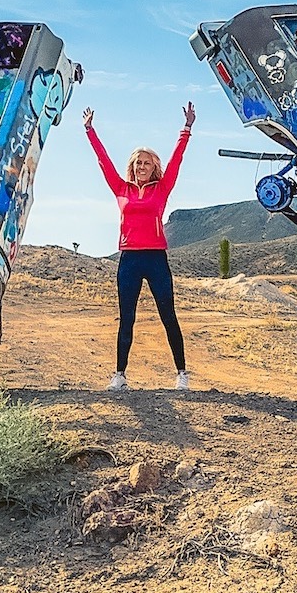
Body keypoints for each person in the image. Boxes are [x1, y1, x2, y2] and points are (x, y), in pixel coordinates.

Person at [84, 102, 195, 391]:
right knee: (127, 318)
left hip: (156, 258)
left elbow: (177, 160)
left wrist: (186, 129)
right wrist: (90, 130)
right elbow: (103, 161)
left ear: (154, 167)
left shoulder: (162, 187)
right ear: (132, 167)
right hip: (129, 260)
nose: (142, 166)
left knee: (168, 315)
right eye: (138, 163)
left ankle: (182, 374)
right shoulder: (121, 188)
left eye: (147, 162)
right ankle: (119, 375)